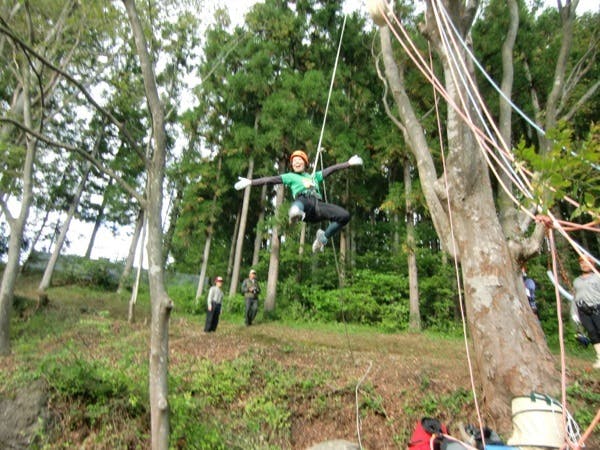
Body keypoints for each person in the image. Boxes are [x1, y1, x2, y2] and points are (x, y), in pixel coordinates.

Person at [234, 150, 363, 252]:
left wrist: (348, 163)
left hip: (318, 207)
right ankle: (295, 211)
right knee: (303, 199)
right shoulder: (291, 176)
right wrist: (250, 182)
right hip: (305, 205)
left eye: (299, 160)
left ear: (305, 163)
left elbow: (331, 170)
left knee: (344, 216)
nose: (296, 163)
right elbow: (271, 179)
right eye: (294, 161)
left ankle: (322, 238)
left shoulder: (314, 176)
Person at [572, 255, 600, 369]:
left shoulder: (597, 277)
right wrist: (574, 313)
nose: (584, 264)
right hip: (583, 311)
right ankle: (599, 357)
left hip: (597, 308)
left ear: (592, 264)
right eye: (582, 262)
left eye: (586, 262)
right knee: (592, 333)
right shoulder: (576, 281)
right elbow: (575, 298)